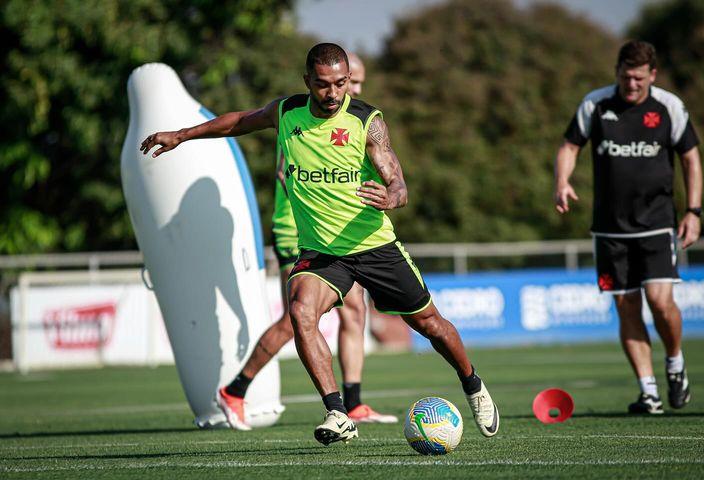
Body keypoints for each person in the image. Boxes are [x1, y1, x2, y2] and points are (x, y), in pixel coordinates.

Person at [141, 43, 500, 445]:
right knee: (299, 310)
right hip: (323, 252)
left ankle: (473, 385)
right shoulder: (286, 112)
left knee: (429, 324)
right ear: (308, 81)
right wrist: (182, 135)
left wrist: (392, 195)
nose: (333, 93)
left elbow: (396, 179)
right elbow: (239, 121)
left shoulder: (368, 120)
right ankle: (338, 411)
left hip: (373, 245)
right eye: (324, 85)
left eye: (341, 84)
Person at [214, 52, 397, 431]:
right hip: (297, 231)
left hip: (340, 235)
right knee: (296, 317)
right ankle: (236, 389)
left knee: (355, 311)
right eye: (350, 82)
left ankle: (354, 403)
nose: (349, 91)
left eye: (354, 83)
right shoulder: (300, 122)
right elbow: (294, 173)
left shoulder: (354, 119)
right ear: (312, 81)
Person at [554, 40, 702, 414]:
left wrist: (694, 211)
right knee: (626, 306)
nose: (631, 84)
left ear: (652, 75)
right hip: (609, 230)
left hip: (656, 225)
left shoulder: (669, 107)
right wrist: (562, 181)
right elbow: (570, 146)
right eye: (625, 76)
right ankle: (648, 391)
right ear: (616, 72)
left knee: (660, 302)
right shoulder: (596, 104)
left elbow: (690, 158)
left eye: (638, 78)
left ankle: (674, 362)